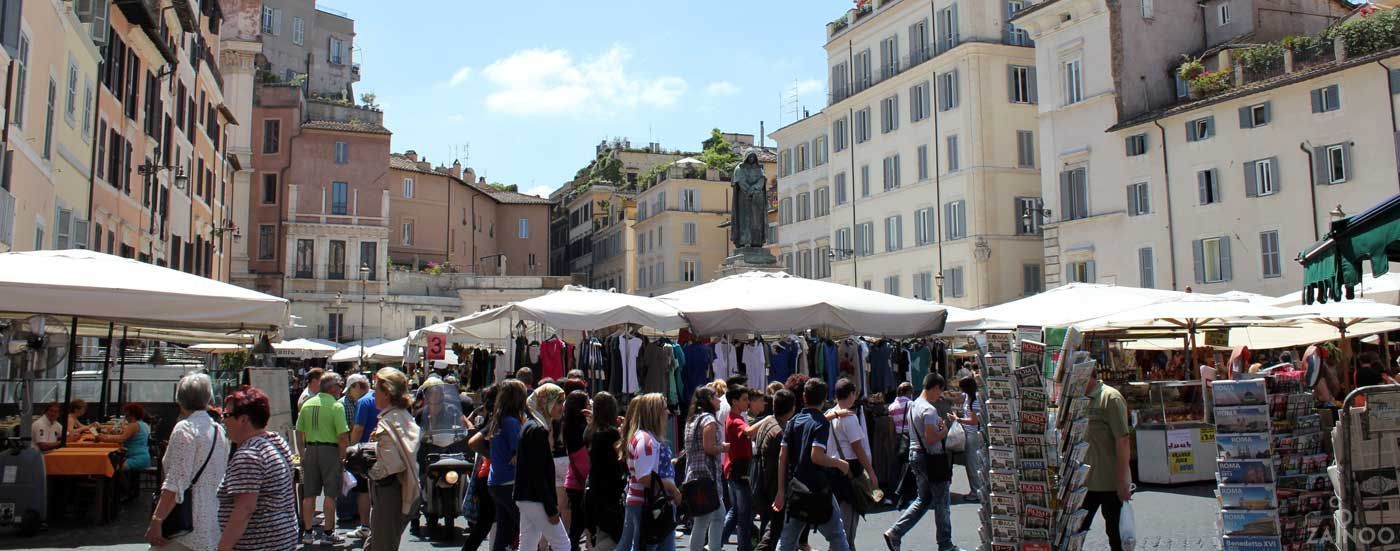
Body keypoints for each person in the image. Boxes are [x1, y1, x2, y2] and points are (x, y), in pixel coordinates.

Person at [146, 374, 230, 551]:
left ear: (180, 400)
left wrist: (157, 520)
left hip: (185, 521)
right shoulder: (218, 430)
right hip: (212, 518)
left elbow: (176, 481)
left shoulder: (185, 429)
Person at [215, 386, 298, 551]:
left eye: (227, 415)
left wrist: (222, 548)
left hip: (258, 545)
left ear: (244, 419)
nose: (223, 421)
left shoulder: (248, 456)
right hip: (282, 539)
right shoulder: (276, 441)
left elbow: (244, 509)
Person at [773, 378, 851, 551]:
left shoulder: (793, 422)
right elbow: (816, 456)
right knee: (837, 535)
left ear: (803, 397)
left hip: (796, 490)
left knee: (786, 541)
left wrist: (781, 490)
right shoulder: (821, 423)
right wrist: (839, 463)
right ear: (824, 400)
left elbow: (782, 457)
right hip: (818, 489)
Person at [884, 373, 957, 551]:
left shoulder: (913, 405)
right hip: (930, 458)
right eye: (940, 391)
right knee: (942, 502)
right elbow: (931, 438)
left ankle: (895, 532)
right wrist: (945, 430)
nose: (940, 396)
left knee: (923, 499)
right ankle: (945, 544)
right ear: (935, 387)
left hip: (916, 454)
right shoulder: (929, 409)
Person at [365, 367, 422, 551]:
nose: (374, 393)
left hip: (389, 491)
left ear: (387, 393)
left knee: (382, 545)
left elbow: (391, 464)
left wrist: (367, 470)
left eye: (376, 388)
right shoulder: (404, 415)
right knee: (377, 543)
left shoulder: (388, 422)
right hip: (401, 489)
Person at [616, 393, 681, 551]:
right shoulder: (646, 440)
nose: (668, 413)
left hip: (650, 503)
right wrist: (673, 489)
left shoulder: (646, 438)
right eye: (664, 409)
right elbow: (644, 477)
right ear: (655, 412)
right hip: (647, 504)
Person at [294, 371, 349, 545]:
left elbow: (299, 431)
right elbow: (342, 436)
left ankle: (308, 533)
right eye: (339, 386)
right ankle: (327, 533)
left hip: (310, 450)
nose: (341, 389)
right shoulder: (336, 406)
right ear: (332, 388)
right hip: (330, 451)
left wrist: (302, 453)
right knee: (330, 494)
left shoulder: (307, 404)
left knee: (309, 494)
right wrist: (343, 457)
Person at [1079, 377, 1132, 551]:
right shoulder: (1077, 398)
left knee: (1116, 536)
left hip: (1110, 482)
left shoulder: (1110, 398)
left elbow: (1123, 440)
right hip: (1084, 482)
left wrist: (1122, 481)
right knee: (1075, 532)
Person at [516, 384, 570, 551]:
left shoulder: (533, 425)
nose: (562, 406)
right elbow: (537, 473)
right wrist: (550, 508)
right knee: (563, 545)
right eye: (558, 401)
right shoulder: (537, 430)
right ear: (546, 402)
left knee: (528, 544)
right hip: (535, 498)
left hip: (527, 496)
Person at [827, 378, 877, 548]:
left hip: (833, 467)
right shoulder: (849, 417)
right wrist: (871, 472)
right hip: (849, 469)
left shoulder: (831, 414)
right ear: (851, 395)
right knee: (848, 520)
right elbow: (858, 448)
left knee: (839, 517)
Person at [751, 389, 794, 551]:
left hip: (762, 484)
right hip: (774, 489)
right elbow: (781, 464)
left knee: (768, 527)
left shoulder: (768, 423)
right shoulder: (780, 432)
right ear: (792, 408)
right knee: (774, 531)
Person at [488, 380, 529, 551]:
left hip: (496, 481)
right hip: (509, 482)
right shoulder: (512, 423)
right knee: (526, 527)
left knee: (504, 530)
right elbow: (520, 451)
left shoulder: (498, 420)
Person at [685, 386, 727, 551]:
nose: (719, 400)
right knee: (703, 520)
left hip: (695, 474)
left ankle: (713, 547)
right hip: (706, 476)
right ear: (709, 400)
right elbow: (709, 448)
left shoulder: (692, 419)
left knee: (718, 515)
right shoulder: (708, 420)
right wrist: (722, 447)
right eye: (716, 397)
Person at [583, 392, 623, 551]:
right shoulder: (611, 434)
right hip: (609, 491)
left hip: (593, 488)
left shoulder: (591, 431)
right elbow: (621, 456)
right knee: (612, 537)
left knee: (601, 533)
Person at [463, 384, 500, 551]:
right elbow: (474, 442)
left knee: (487, 523)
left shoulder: (493, 418)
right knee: (486, 523)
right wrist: (494, 457)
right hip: (488, 477)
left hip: (486, 476)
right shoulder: (494, 420)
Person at [721, 385, 759, 551]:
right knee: (744, 515)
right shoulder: (736, 420)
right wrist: (768, 419)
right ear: (734, 402)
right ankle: (743, 548)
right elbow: (749, 432)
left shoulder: (736, 418)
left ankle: (715, 542)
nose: (748, 402)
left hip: (734, 469)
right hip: (739, 471)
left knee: (736, 512)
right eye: (744, 399)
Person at [348, 371, 381, 540]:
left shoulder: (364, 402)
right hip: (385, 451)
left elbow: (358, 428)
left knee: (363, 490)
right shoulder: (391, 401)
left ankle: (365, 526)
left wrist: (351, 449)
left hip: (367, 453)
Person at [561, 390, 592, 551]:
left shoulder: (568, 424)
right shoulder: (584, 428)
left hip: (574, 479)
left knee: (576, 526)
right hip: (583, 481)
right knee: (581, 525)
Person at [954, 377, 983, 503]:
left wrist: (957, 419)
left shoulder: (975, 401)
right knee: (970, 463)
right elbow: (958, 399)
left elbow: (974, 421)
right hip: (968, 434)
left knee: (972, 464)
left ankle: (976, 492)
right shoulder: (968, 397)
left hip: (973, 435)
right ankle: (974, 490)